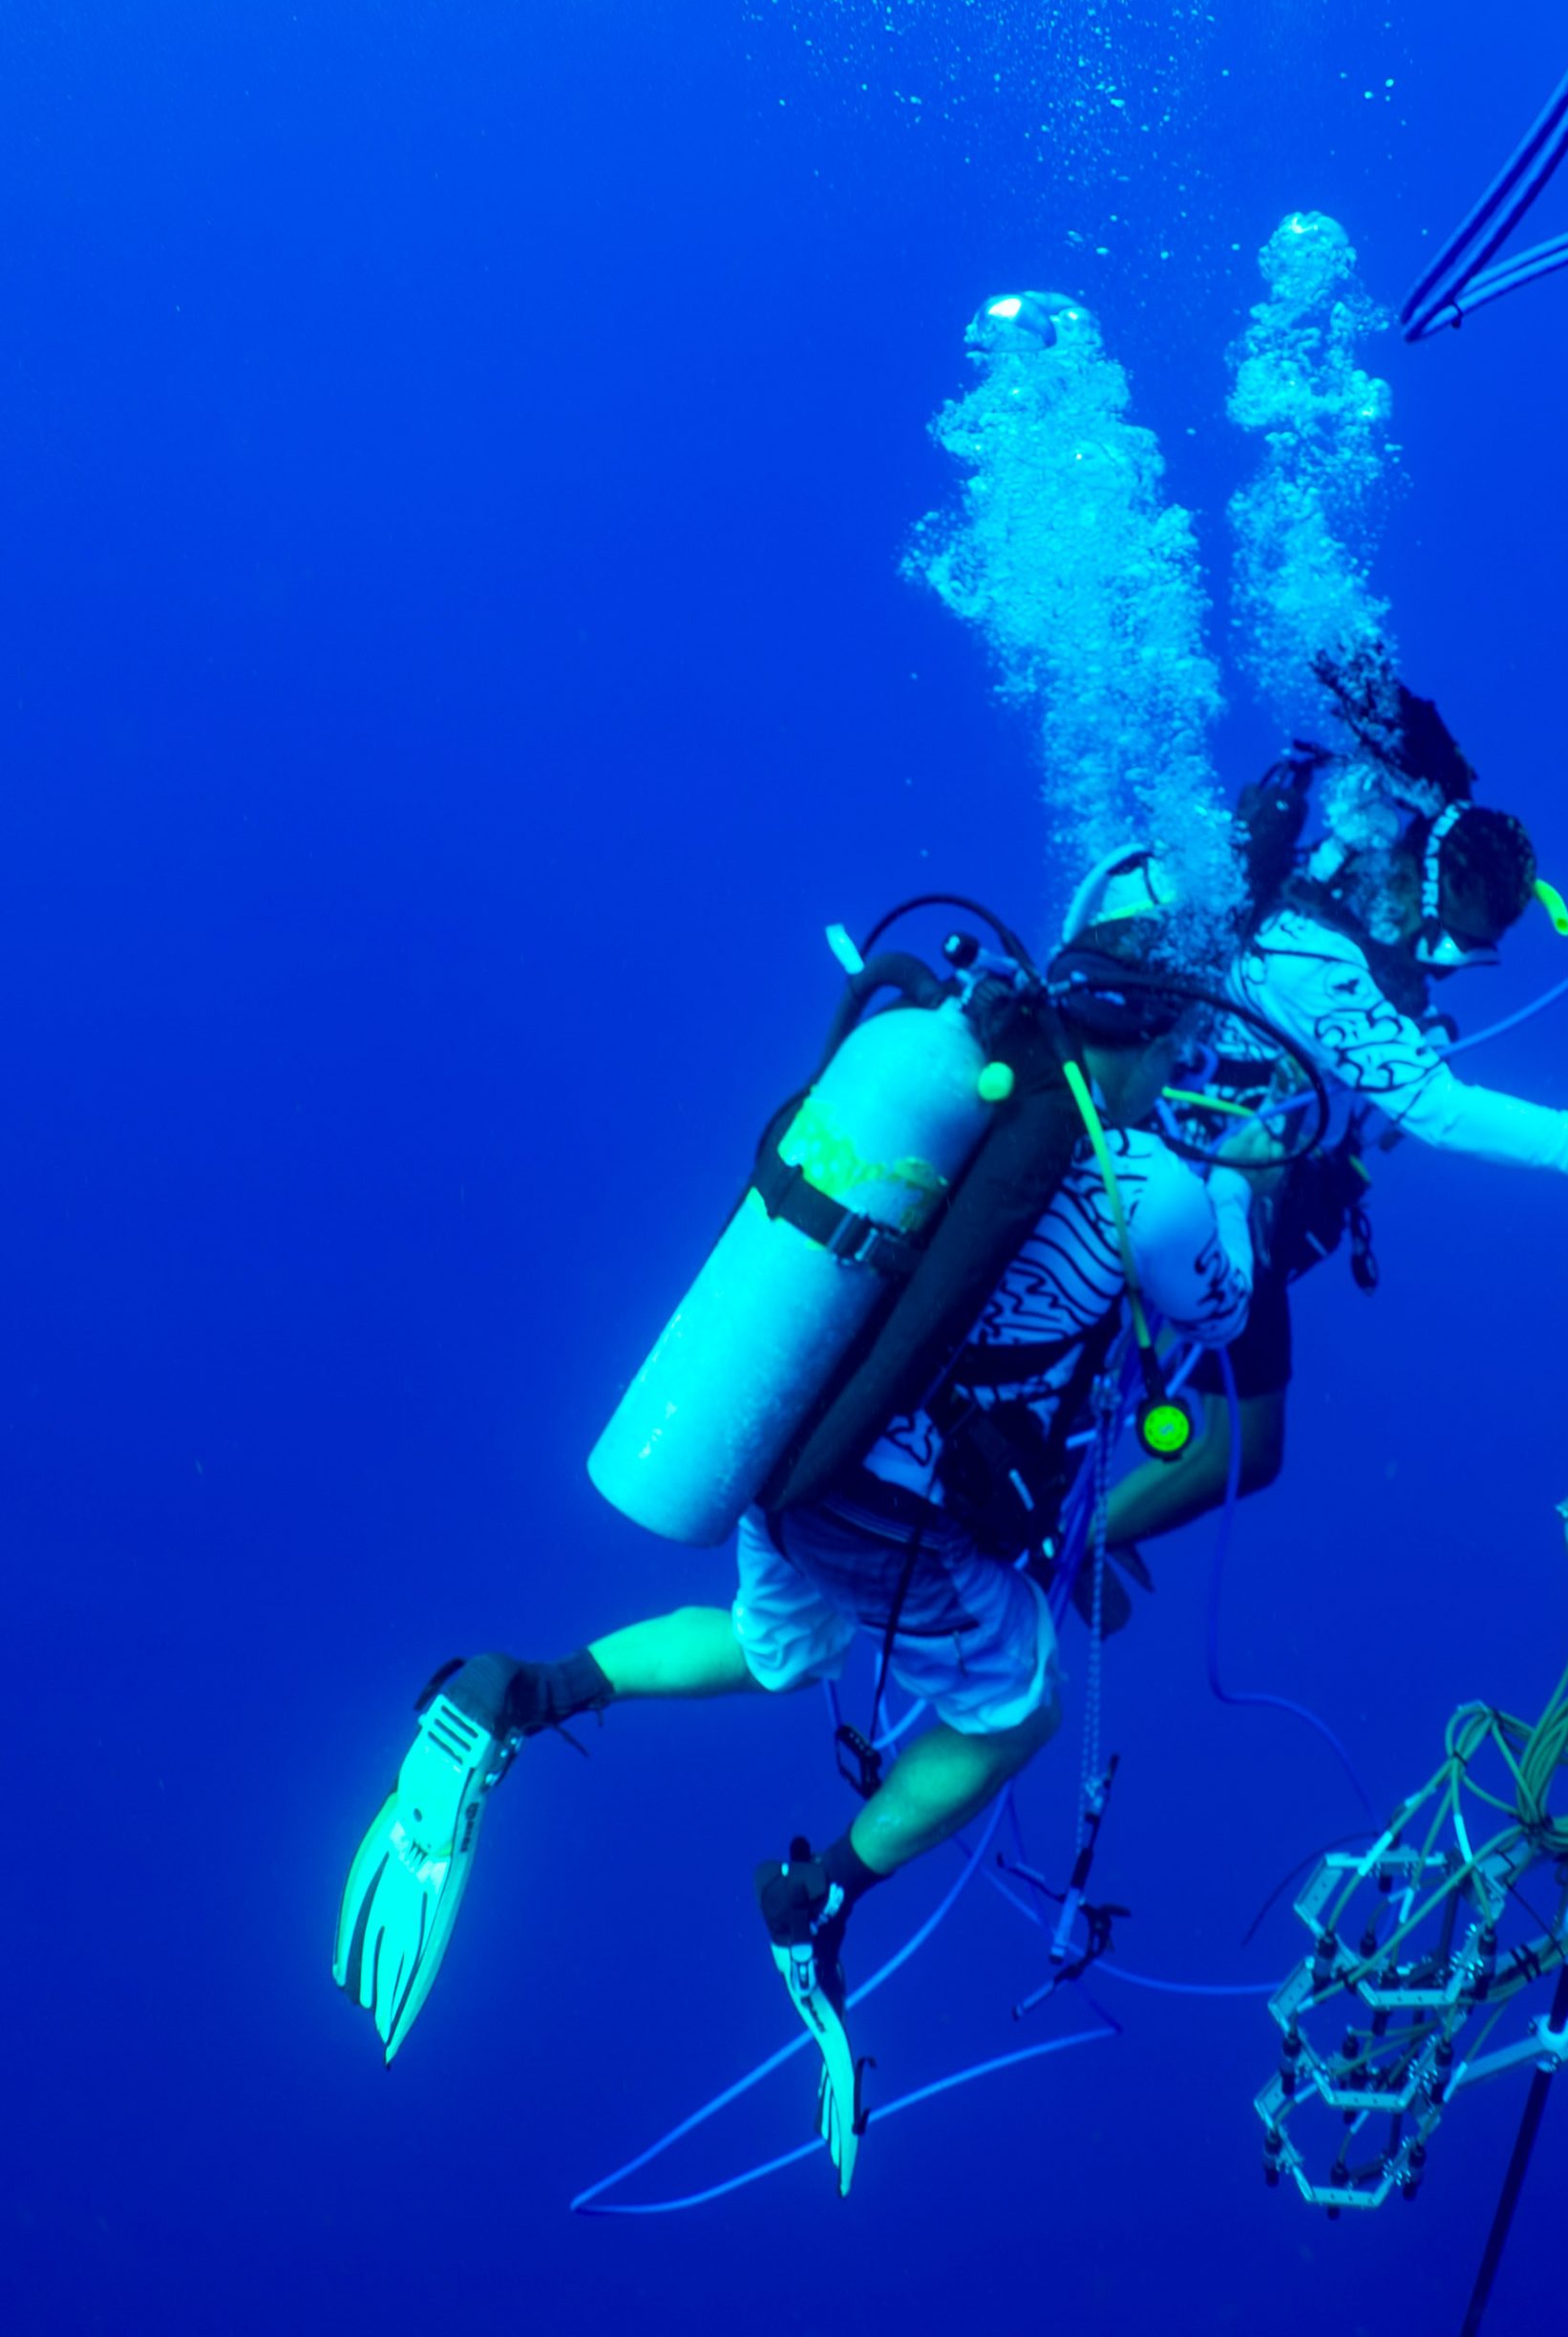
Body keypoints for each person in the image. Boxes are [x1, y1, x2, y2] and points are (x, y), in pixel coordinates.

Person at [334, 926, 1252, 2199]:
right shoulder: (1151, 1182)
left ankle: (516, 1692)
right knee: (1019, 1707)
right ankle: (821, 1896)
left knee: (783, 1647)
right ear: (1152, 1041)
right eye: (1176, 1049)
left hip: (791, 1430)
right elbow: (1216, 1309)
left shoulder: (960, 1079)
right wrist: (1240, 1199)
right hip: (892, 1498)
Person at [1099, 648, 1568, 1555]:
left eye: (1471, 956)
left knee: (1245, 1447)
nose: (1443, 965)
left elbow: (1425, 761)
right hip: (1186, 1189)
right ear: (1411, 886)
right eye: (1449, 941)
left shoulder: (1362, 905)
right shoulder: (1318, 961)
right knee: (1227, 1438)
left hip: (1217, 1180)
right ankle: (1055, 1551)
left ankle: (1071, 1545)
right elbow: (1445, 1114)